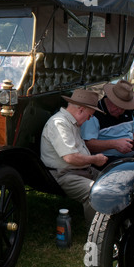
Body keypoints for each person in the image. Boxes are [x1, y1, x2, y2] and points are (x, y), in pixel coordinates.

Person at [40, 89, 108, 224]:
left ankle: (116, 224)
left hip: (81, 171)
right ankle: (96, 235)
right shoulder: (59, 123)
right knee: (95, 192)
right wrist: (95, 159)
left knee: (113, 184)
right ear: (81, 110)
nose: (89, 119)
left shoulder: (71, 122)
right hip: (65, 175)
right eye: (89, 116)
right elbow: (70, 158)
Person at [81, 80, 134, 166]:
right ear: (109, 98)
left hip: (131, 156)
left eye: (123, 107)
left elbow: (133, 135)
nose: (120, 111)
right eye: (117, 106)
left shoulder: (127, 111)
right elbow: (87, 144)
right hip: (106, 159)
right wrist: (114, 144)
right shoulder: (95, 113)